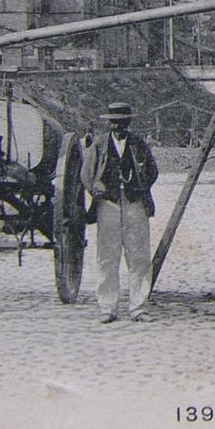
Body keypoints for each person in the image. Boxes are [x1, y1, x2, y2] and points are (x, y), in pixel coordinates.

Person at [80, 102, 160, 323]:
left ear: (129, 122)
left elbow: (153, 171)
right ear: (109, 123)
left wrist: (141, 187)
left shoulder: (139, 145)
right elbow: (86, 174)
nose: (118, 126)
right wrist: (97, 188)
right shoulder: (99, 145)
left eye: (122, 122)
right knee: (107, 256)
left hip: (135, 204)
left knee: (139, 256)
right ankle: (108, 307)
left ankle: (138, 307)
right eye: (114, 122)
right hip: (108, 205)